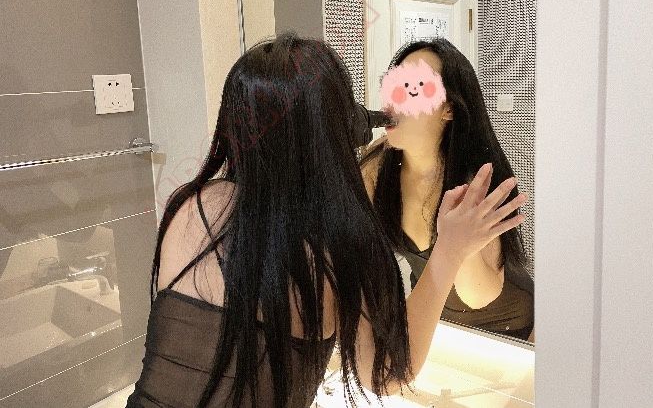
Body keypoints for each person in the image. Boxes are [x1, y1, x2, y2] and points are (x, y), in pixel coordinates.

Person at [125, 33, 526, 407]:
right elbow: (387, 373)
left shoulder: (188, 205)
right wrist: (449, 250)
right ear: (337, 126)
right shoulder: (345, 233)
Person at [360, 38, 534, 342]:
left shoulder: (472, 184)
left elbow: (478, 295)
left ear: (448, 108)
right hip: (438, 325)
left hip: (509, 328)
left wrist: (459, 242)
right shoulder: (377, 166)